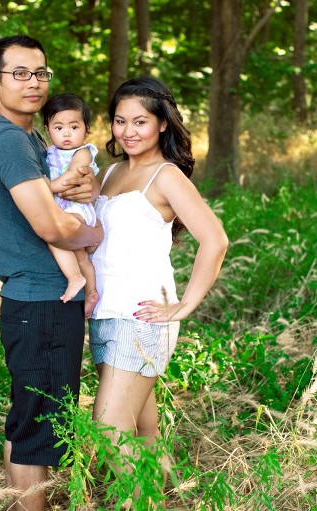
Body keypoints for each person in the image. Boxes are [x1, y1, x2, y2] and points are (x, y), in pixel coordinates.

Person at [0, 35, 103, 511]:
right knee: (39, 426)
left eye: (41, 73)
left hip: (38, 300)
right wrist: (93, 236)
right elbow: (50, 223)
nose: (33, 82)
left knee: (28, 419)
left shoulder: (28, 138)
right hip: (44, 300)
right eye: (19, 73)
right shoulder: (8, 142)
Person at [88, 77, 229, 474]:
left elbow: (215, 240)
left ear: (162, 124)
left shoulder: (166, 176)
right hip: (106, 315)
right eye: (120, 121)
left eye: (140, 122)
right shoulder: (111, 173)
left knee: (109, 431)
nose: (128, 131)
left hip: (142, 318)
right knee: (142, 432)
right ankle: (167, 498)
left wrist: (183, 305)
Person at [42, 93, 100, 317]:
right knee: (79, 254)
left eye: (74, 127)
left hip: (78, 208)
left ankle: (75, 277)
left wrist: (44, 187)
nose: (66, 133)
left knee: (56, 235)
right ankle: (91, 291)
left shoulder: (82, 152)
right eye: (58, 127)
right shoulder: (49, 153)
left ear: (86, 129)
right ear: (48, 130)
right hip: (64, 208)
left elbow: (73, 176)